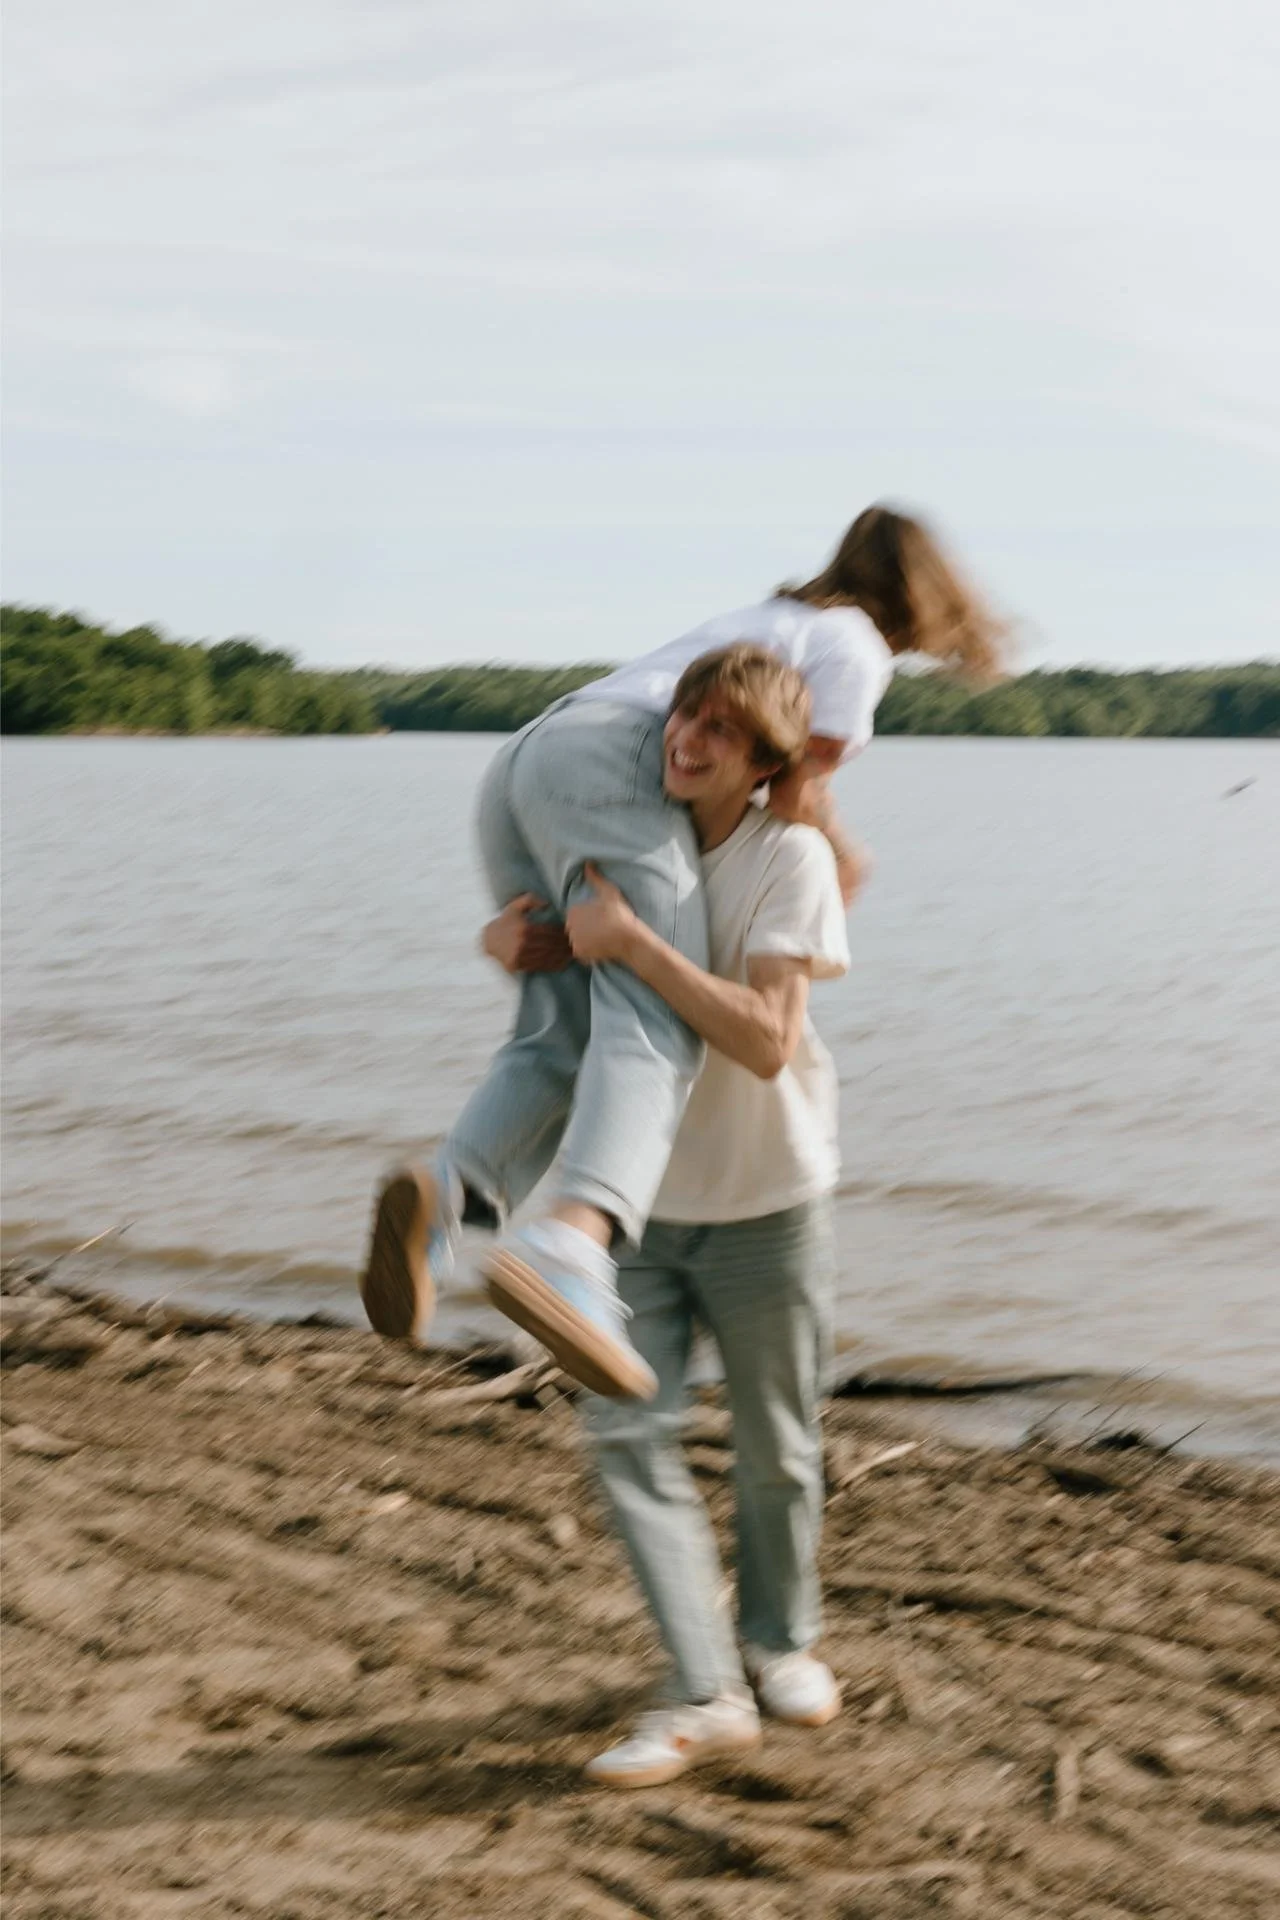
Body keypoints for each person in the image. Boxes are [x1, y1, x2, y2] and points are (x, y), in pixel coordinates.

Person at [359, 504, 1003, 1401]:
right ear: (925, 596)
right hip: (619, 762)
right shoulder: (853, 643)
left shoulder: (779, 621)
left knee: (566, 1022)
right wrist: (844, 859)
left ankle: (447, 1191)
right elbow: (790, 791)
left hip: (529, 759)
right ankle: (571, 1243)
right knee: (654, 1011)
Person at [487, 644, 849, 1787]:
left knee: (776, 1450)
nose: (687, 740)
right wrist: (519, 946)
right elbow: (566, 1007)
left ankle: (778, 1643)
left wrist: (632, 944)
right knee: (622, 1441)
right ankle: (702, 1688)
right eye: (683, 714)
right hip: (626, 1218)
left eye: (722, 732)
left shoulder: (788, 857)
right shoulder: (607, 838)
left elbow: (763, 1040)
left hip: (766, 1201)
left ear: (763, 764)